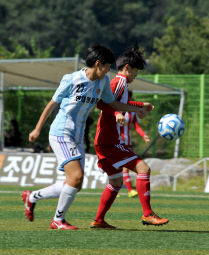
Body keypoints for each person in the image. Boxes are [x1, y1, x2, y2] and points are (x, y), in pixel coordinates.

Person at [21, 44, 147, 230]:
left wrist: (137, 108)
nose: (108, 71)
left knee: (74, 183)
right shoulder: (71, 79)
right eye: (107, 66)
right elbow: (51, 105)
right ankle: (58, 220)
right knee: (77, 177)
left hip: (78, 136)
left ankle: (31, 197)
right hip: (61, 133)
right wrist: (37, 129)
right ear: (98, 64)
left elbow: (111, 103)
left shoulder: (102, 82)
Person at [90, 45, 169, 229]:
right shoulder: (117, 82)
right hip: (109, 141)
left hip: (104, 142)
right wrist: (117, 113)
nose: (136, 76)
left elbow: (120, 103)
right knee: (144, 168)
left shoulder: (121, 84)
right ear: (127, 68)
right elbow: (102, 104)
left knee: (116, 181)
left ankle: (99, 220)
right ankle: (148, 214)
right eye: (135, 72)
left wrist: (141, 105)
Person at [120, 91, 150, 198]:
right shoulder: (117, 110)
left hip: (128, 143)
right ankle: (129, 190)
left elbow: (136, 126)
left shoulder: (132, 112)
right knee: (123, 167)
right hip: (118, 142)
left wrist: (144, 135)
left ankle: (126, 189)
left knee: (124, 167)